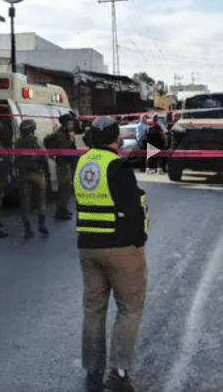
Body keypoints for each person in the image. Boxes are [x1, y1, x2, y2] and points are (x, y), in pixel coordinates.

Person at [74, 115, 148, 392]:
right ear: (117, 140)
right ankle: (118, 373)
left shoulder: (82, 163)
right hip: (120, 247)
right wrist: (139, 242)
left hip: (88, 247)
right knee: (129, 308)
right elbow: (134, 210)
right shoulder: (118, 166)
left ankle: (93, 373)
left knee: (93, 311)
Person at [13, 119, 49, 239]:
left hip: (23, 175)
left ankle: (27, 229)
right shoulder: (36, 141)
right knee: (41, 201)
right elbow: (45, 157)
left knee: (25, 204)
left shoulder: (18, 143)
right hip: (37, 174)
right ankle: (42, 224)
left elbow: (15, 160)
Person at [43, 113, 77, 221]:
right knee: (63, 187)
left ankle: (64, 209)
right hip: (62, 163)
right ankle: (60, 211)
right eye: (70, 123)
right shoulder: (60, 135)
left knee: (67, 187)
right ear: (65, 124)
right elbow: (48, 141)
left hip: (67, 163)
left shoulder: (67, 134)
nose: (72, 125)